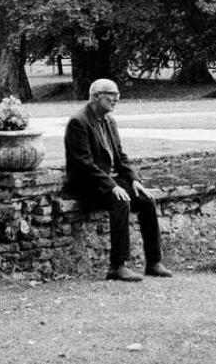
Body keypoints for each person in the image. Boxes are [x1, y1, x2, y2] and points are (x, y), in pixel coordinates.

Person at [63, 79, 172, 281]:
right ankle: (117, 266)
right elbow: (83, 164)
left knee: (147, 201)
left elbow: (121, 157)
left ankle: (154, 262)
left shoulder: (109, 121)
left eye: (118, 95)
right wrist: (112, 186)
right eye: (111, 94)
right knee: (121, 202)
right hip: (88, 184)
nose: (116, 99)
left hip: (110, 182)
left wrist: (134, 180)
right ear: (96, 96)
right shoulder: (78, 122)